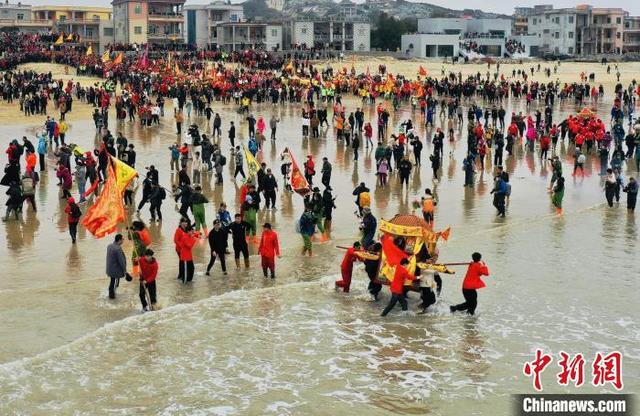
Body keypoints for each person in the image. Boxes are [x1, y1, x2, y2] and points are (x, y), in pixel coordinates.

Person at [175, 218, 197, 283]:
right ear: (180, 223)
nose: (185, 223)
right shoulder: (178, 230)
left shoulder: (187, 229)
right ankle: (181, 276)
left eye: (186, 222)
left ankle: (184, 276)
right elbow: (175, 240)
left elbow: (191, 233)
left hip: (186, 249)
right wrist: (182, 246)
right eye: (184, 222)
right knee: (182, 262)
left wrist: (196, 234)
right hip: (180, 249)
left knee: (184, 263)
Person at [106, 234, 127, 299]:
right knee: (114, 283)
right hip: (115, 269)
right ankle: (112, 296)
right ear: (119, 240)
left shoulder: (109, 246)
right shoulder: (118, 249)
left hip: (110, 268)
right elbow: (121, 261)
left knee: (112, 281)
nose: (123, 241)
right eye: (122, 239)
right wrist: (125, 270)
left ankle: (111, 294)